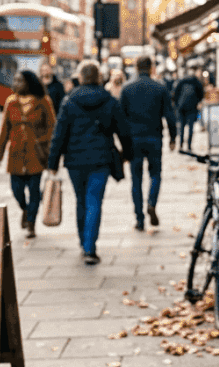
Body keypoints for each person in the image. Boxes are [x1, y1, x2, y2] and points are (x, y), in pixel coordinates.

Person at [47, 60, 132, 265]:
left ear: (80, 77)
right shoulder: (109, 101)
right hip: (100, 159)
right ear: (99, 78)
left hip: (74, 160)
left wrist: (53, 162)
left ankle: (82, 240)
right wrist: (127, 154)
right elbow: (124, 131)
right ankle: (90, 247)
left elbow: (59, 134)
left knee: (81, 200)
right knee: (94, 201)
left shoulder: (69, 101)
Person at [119, 55, 178, 231]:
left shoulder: (127, 88)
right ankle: (151, 203)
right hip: (154, 138)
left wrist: (123, 143)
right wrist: (173, 138)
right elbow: (170, 115)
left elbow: (121, 119)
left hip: (133, 139)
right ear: (151, 67)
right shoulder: (159, 88)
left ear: (136, 67)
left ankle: (139, 219)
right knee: (155, 174)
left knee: (135, 180)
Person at [0, 70, 57, 238]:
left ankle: (31, 224)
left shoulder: (43, 101)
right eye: (15, 80)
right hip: (16, 153)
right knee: (16, 190)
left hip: (35, 154)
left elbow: (52, 127)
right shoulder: (11, 102)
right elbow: (5, 129)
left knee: (34, 190)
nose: (16, 84)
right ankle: (25, 208)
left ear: (29, 82)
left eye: (20, 81)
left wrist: (45, 144)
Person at [173, 67, 205, 151]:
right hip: (192, 107)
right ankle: (189, 146)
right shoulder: (196, 82)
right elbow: (201, 94)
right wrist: (197, 102)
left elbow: (175, 94)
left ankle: (180, 145)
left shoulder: (181, 81)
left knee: (182, 127)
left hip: (182, 107)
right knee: (191, 127)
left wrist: (177, 105)